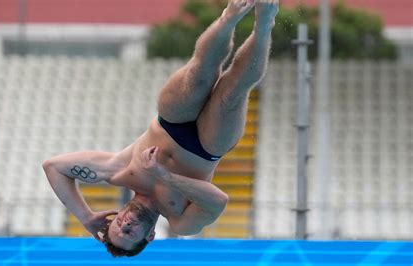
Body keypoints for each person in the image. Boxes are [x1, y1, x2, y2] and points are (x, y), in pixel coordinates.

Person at [42, 0, 279, 257]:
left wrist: (86, 217)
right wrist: (165, 176)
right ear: (150, 236)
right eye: (129, 233)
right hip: (207, 147)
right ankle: (265, 22)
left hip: (171, 123)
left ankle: (229, 17)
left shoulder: (119, 171)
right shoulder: (180, 220)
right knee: (232, 92)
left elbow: (53, 167)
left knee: (199, 73)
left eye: (117, 226)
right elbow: (218, 201)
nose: (125, 225)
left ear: (116, 215)